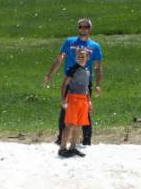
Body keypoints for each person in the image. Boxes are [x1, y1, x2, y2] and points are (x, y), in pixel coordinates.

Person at [42, 18, 103, 146]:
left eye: (86, 26)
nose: (83, 29)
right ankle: (61, 139)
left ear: (90, 29)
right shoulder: (69, 42)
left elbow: (97, 67)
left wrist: (98, 85)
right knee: (65, 109)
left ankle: (86, 140)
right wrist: (49, 75)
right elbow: (59, 60)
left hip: (85, 82)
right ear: (78, 28)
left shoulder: (95, 46)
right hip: (69, 80)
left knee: (85, 110)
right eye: (81, 26)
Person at [58, 48, 92, 158]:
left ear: (87, 58)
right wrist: (63, 99)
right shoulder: (72, 69)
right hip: (73, 99)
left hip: (83, 100)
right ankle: (62, 149)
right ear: (76, 57)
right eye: (79, 56)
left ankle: (72, 148)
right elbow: (64, 85)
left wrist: (89, 101)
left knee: (79, 125)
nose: (81, 58)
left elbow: (86, 87)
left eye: (83, 56)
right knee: (70, 125)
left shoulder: (87, 71)